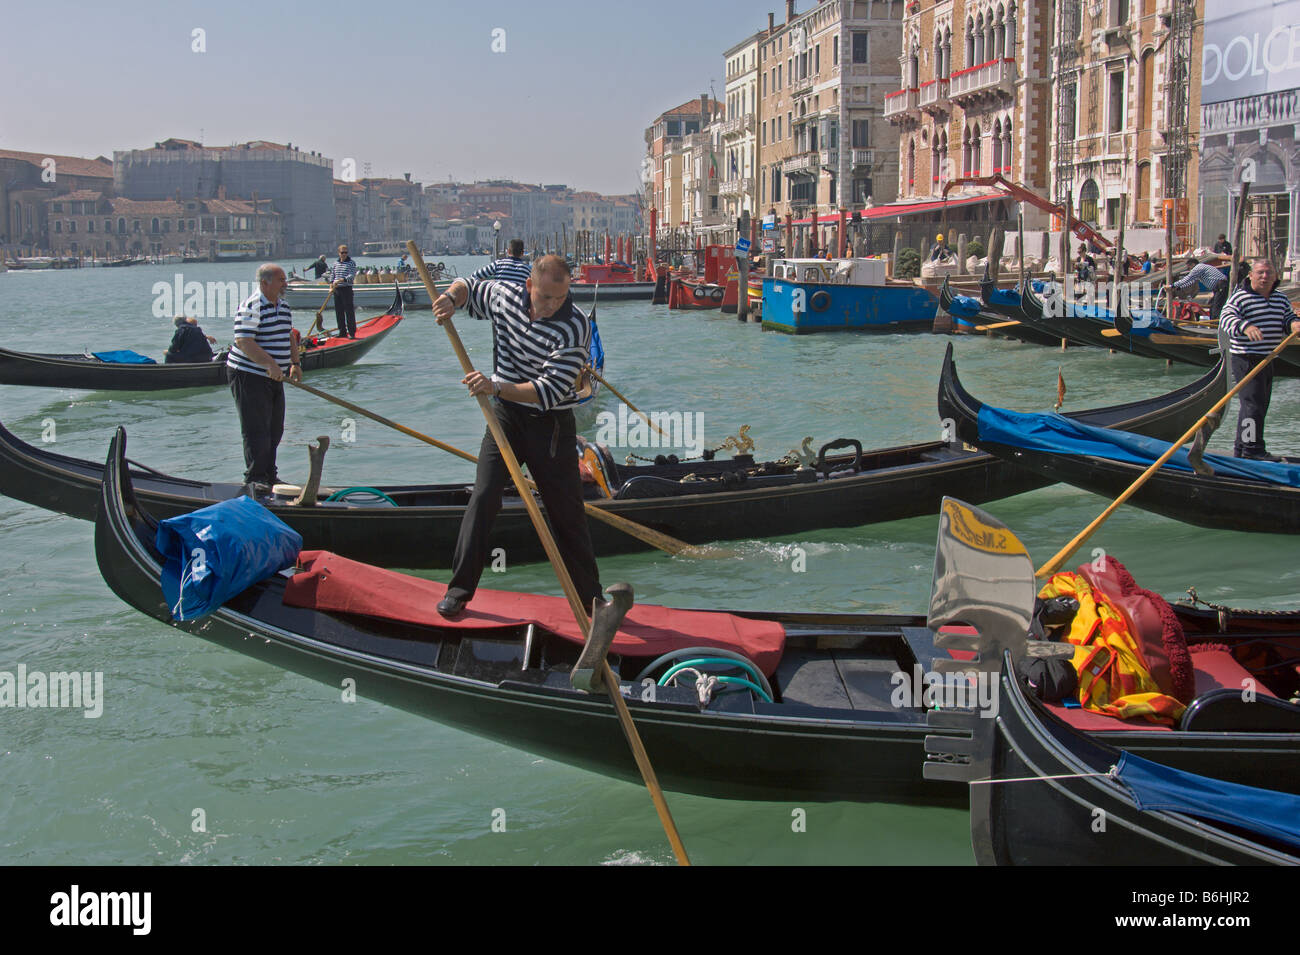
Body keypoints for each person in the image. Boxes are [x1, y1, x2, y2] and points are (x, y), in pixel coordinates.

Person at [430, 254, 601, 618]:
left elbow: (548, 391)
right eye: (547, 298)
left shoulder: (575, 326)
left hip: (550, 422)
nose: (555, 305)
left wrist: (495, 387)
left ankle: (592, 603)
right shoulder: (504, 296)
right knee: (484, 497)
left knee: (565, 513)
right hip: (505, 417)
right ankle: (458, 592)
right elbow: (470, 289)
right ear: (528, 286)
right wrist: (450, 298)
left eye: (561, 297)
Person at [227, 263, 300, 492]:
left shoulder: (284, 307)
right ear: (264, 283)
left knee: (275, 428)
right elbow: (244, 342)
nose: (285, 284)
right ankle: (255, 479)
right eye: (280, 280)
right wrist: (269, 363)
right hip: (248, 374)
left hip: (274, 375)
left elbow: (289, 336)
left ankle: (270, 475)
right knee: (256, 428)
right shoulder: (251, 306)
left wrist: (295, 364)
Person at [1218, 259, 1300, 460]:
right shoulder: (1241, 298)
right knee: (1252, 405)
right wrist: (1245, 327)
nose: (1265, 277)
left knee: (1258, 405)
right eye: (1261, 273)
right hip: (1245, 359)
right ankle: (1252, 450)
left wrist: (1294, 323)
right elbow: (1226, 318)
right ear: (1251, 276)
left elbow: (1287, 318)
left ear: (1275, 277)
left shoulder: (1280, 298)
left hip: (1267, 358)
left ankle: (1242, 449)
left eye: (1269, 273)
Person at [329, 244, 358, 338]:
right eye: (342, 252)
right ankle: (342, 332)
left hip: (346, 289)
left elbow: (351, 276)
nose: (344, 254)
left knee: (349, 312)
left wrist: (341, 280)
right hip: (337, 290)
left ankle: (352, 332)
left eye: (346, 252)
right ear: (339, 253)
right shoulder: (335, 263)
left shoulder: (351, 263)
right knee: (339, 312)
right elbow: (332, 276)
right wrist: (331, 286)